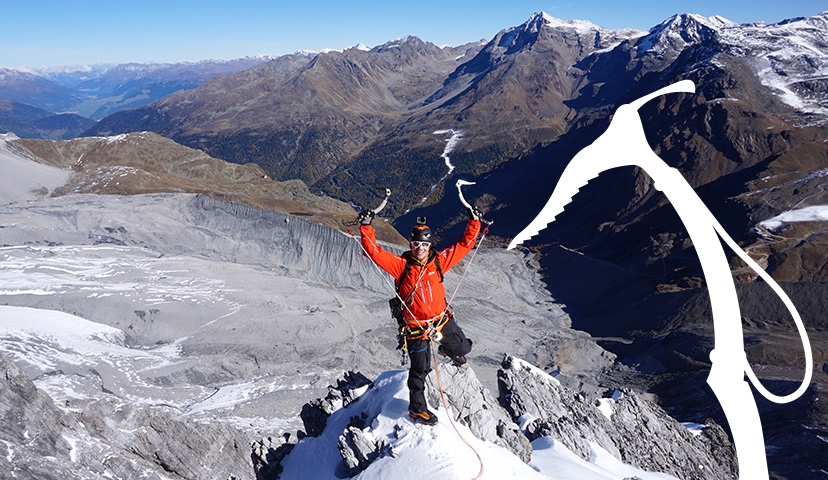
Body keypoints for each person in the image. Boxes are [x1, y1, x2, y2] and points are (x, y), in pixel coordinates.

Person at [358, 207, 481, 426]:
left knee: (464, 349)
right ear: (411, 245)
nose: (420, 248)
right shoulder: (401, 266)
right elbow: (373, 251)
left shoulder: (438, 262)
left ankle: (448, 349)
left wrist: (474, 222)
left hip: (440, 320)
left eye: (425, 244)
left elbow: (464, 245)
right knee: (420, 370)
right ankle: (417, 409)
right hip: (416, 328)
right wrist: (366, 226)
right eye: (416, 244)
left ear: (430, 245)